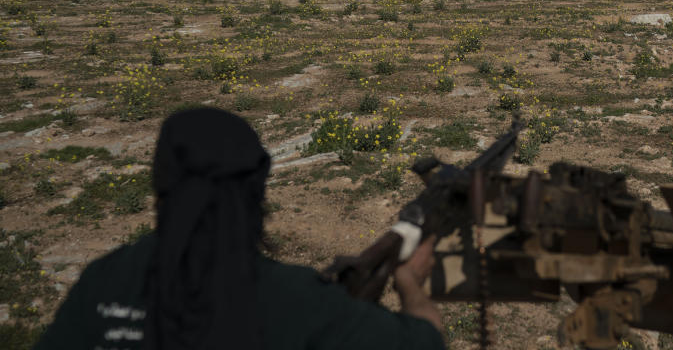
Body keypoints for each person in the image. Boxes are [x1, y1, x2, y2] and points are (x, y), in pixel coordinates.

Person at [35, 108, 445, 350]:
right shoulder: (297, 300)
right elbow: (426, 340)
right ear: (258, 192)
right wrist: (410, 283)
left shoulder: (102, 284)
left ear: (160, 184)